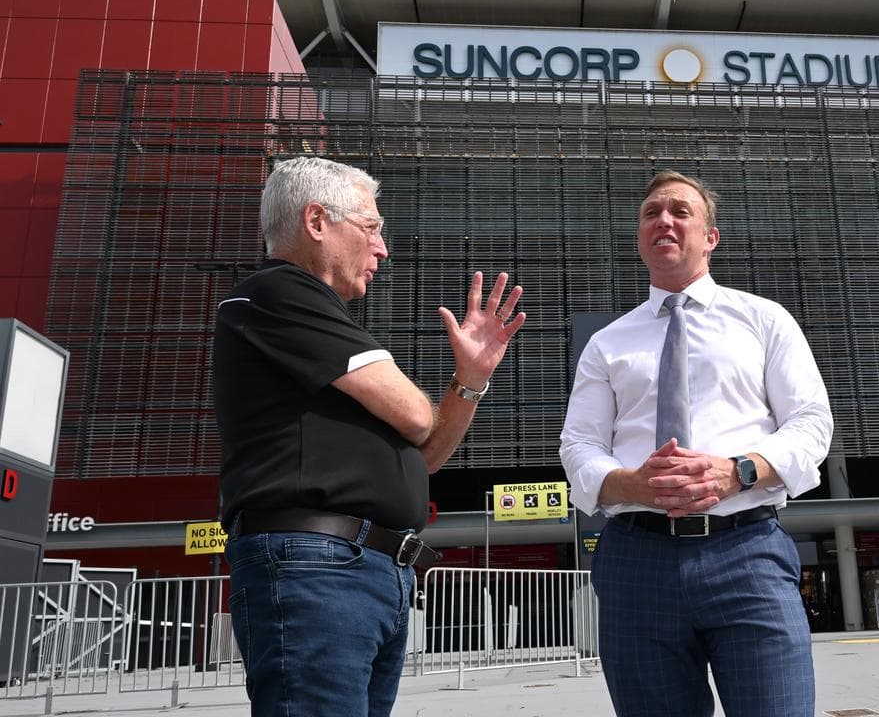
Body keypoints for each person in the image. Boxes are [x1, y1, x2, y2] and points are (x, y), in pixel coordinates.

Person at [213, 156, 525, 716]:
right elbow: (414, 415)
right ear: (316, 222)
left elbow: (426, 455)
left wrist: (469, 379)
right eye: (372, 227)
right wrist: (426, 404)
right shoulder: (277, 292)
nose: (383, 249)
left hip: (358, 571)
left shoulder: (307, 319)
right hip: (319, 568)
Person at [560, 171, 833, 717]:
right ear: (640, 238)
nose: (663, 219)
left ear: (711, 237)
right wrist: (630, 482)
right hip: (637, 559)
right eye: (651, 212)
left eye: (680, 211)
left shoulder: (763, 320)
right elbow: (580, 445)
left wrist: (741, 471)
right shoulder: (607, 343)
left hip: (746, 551)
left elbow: (810, 424)